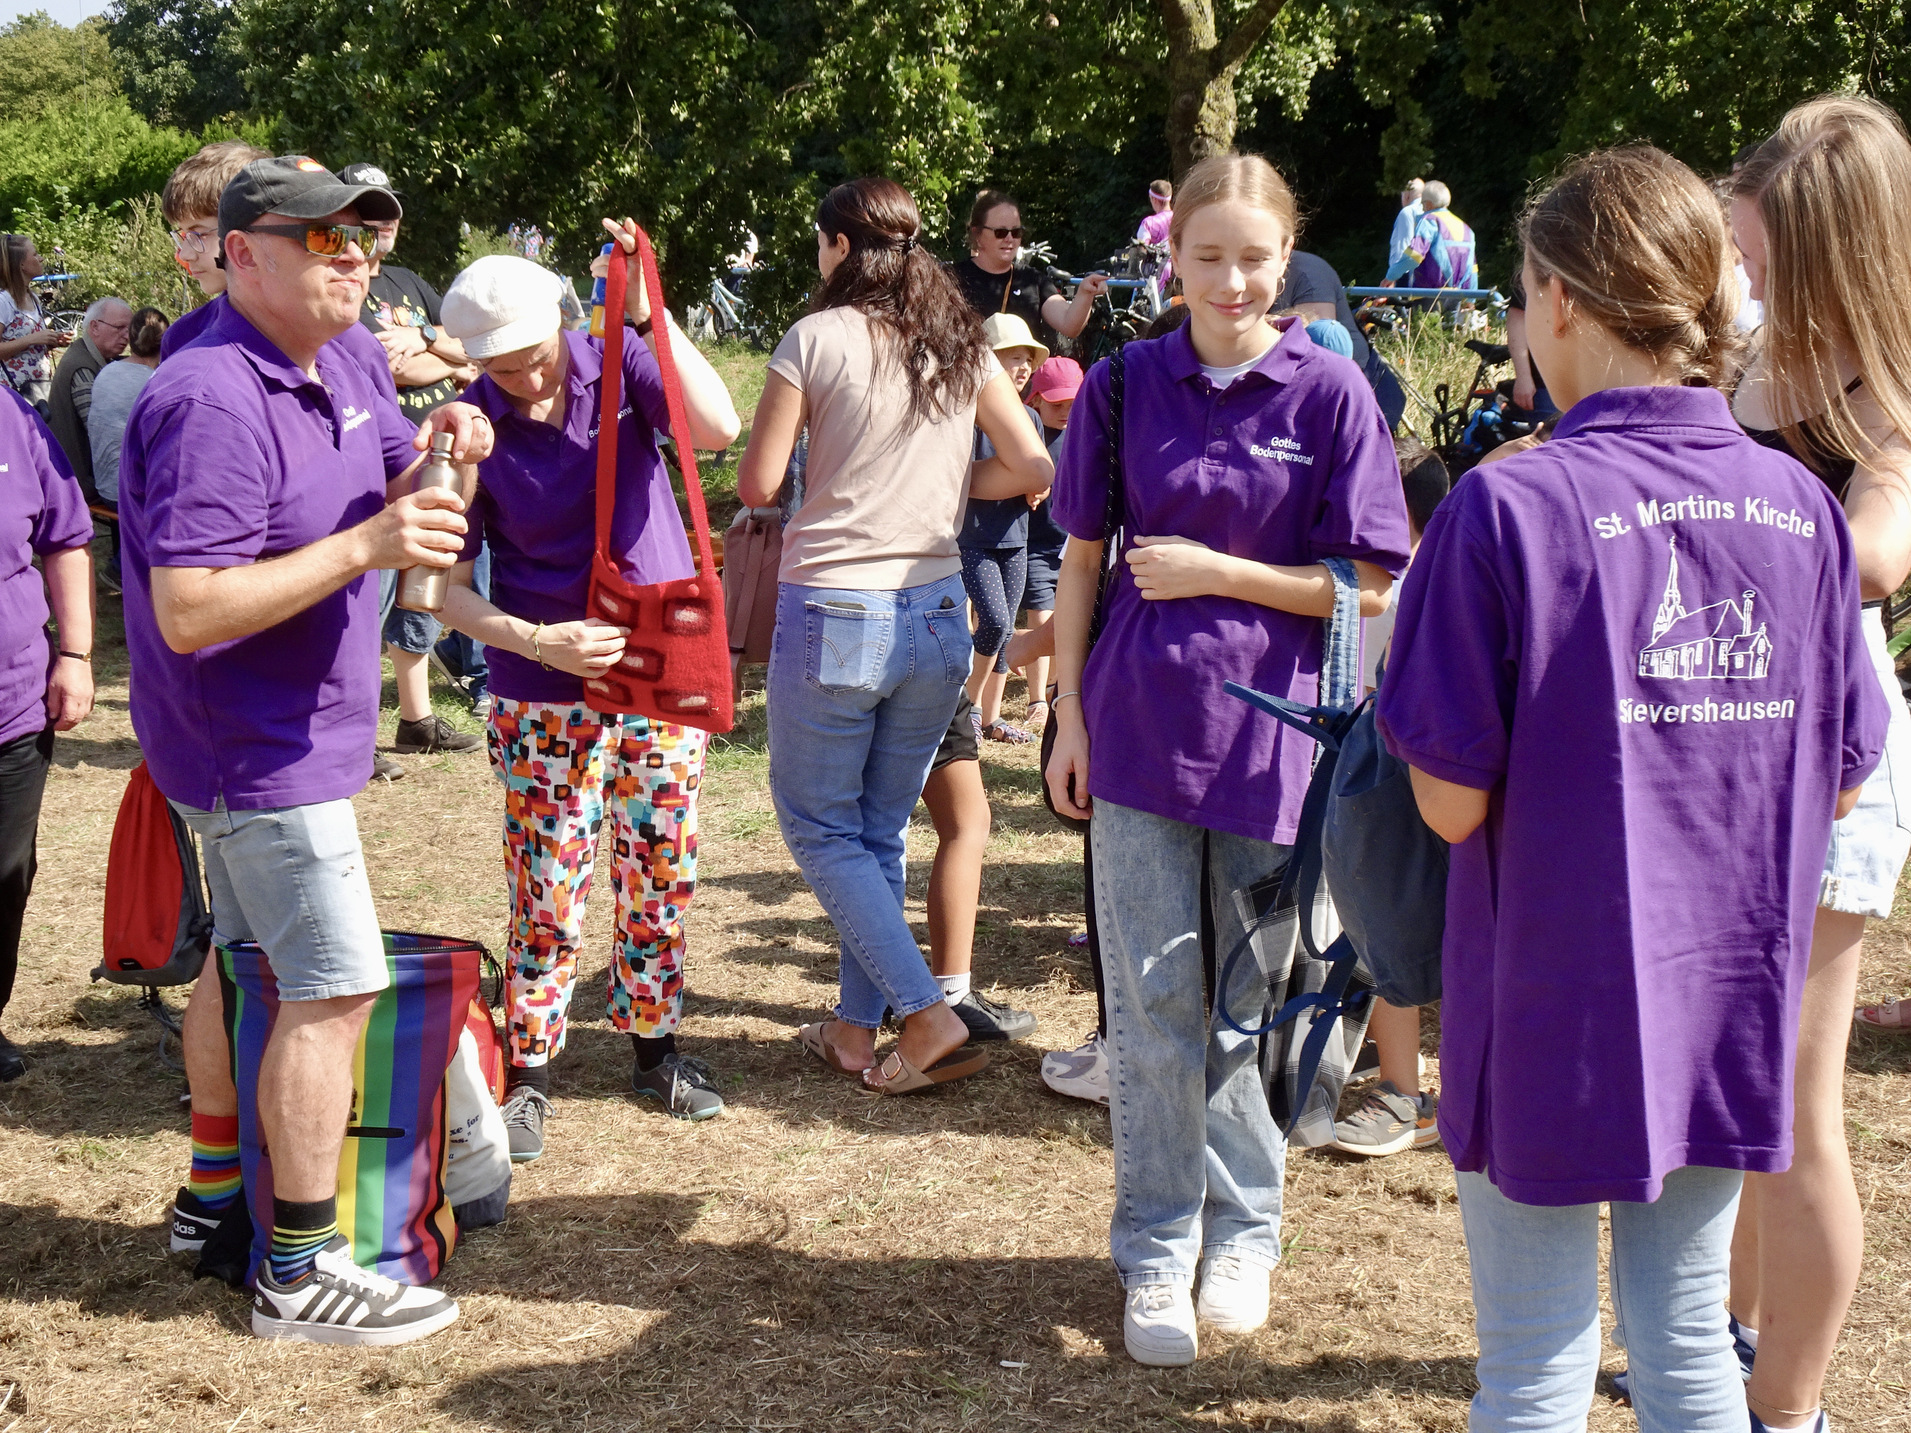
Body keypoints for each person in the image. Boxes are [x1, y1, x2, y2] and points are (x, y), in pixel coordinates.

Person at [1379, 143, 1885, 1433]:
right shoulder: (1801, 505)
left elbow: (1448, 805)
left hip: (1547, 1005)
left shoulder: (1505, 508)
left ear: (1559, 299)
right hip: (1722, 1002)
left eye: (1519, 294)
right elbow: (1840, 780)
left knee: (1536, 1367)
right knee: (1691, 1344)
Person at [1045, 152, 1410, 1366]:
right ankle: (1156, 1243)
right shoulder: (1121, 385)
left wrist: (1219, 572)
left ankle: (1245, 1232)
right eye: (1208, 256)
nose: (1233, 280)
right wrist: (1069, 719)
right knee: (1151, 1007)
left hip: (1274, 748)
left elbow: (1368, 583)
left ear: (1286, 258)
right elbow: (1081, 564)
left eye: (1255, 258)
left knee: (1249, 1003)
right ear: (1176, 259)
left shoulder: (1332, 393)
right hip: (1136, 736)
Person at [123, 155, 494, 1344]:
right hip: (252, 746)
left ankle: (213, 1201)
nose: (359, 262)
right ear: (241, 254)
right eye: (326, 239)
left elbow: (400, 485)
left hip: (298, 733)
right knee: (334, 986)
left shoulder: (343, 357)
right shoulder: (209, 397)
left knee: (247, 967)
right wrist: (367, 546)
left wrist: (445, 448)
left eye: (367, 240)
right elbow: (189, 609)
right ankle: (298, 1268)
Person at [739, 177, 1052, 1095]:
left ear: (839, 246)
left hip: (838, 607)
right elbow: (1032, 463)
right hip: (937, 610)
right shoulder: (960, 341)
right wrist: (947, 485)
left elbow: (757, 484)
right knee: (875, 830)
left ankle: (923, 1012)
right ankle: (851, 1026)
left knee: (817, 826)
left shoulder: (814, 337)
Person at [435, 230, 742, 1148]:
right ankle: (530, 1068)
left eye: (536, 357)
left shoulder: (619, 361)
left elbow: (717, 429)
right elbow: (440, 589)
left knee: (659, 866)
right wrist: (538, 641)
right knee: (547, 878)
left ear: (563, 323)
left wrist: (650, 313)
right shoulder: (470, 424)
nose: (527, 380)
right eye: (501, 368)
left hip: (655, 671)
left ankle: (655, 1049)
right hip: (540, 685)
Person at [1726, 96, 1911, 1433]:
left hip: (1830, 763)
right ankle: (1718, 1341)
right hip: (1717, 750)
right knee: (1730, 1094)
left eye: (1761, 259)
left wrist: (1698, 519)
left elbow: (1877, 556)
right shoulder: (1749, 358)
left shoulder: (1886, 395)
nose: (1742, 281)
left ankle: (1784, 1411)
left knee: (1794, 1106)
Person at [331, 164, 487, 761]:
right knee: (365, 606)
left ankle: (415, 719)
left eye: (389, 212)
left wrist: (428, 343)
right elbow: (389, 368)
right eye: (366, 219)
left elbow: (467, 349)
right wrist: (441, 356)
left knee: (425, 594)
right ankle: (353, 734)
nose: (382, 227)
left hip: (435, 459)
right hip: (376, 467)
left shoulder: (407, 282)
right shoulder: (342, 291)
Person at [1332, 435, 1448, 1158]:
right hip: (1372, 768)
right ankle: (1403, 1086)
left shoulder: (1418, 586)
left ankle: (1416, 1093)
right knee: (1380, 925)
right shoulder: (1365, 577)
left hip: (1410, 778)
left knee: (1397, 922)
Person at [0, 386, 94, 1082]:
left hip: (13, 701)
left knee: (7, 873)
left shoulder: (11, 414)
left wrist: (77, 654)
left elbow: (65, 539)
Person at [920, 695, 1039, 1042]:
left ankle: (871, 995)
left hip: (845, 677)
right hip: (929, 673)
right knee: (965, 825)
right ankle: (951, 994)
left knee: (877, 831)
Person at [960, 312, 1047, 743]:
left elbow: (1038, 473)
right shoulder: (966, 414)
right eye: (1014, 357)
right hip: (973, 538)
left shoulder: (1031, 418)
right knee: (993, 622)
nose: (1024, 366)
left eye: (1028, 358)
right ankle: (967, 710)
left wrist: (1039, 489)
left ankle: (991, 719)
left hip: (1016, 538)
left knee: (1006, 630)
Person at [949, 190, 1110, 354]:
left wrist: (1085, 294)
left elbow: (1069, 324)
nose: (1009, 239)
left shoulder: (1032, 280)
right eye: (1000, 232)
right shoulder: (950, 279)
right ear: (977, 234)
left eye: (1016, 232)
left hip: (1021, 371)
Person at [1019, 356, 1082, 731]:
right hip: (1036, 545)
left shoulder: (1084, 433)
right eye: (1057, 403)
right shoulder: (1028, 433)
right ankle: (1036, 699)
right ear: (1036, 400)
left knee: (1067, 618)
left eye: (1073, 404)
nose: (1065, 412)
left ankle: (1056, 687)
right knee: (1041, 618)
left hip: (1074, 546)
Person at [85, 306, 167, 587]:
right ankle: (121, 568)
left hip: (103, 485)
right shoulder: (157, 382)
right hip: (126, 493)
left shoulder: (107, 372)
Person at [45, 297, 131, 496]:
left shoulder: (86, 354)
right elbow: (101, 432)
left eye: (130, 329)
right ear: (94, 327)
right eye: (119, 328)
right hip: (81, 482)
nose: (127, 336)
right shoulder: (82, 367)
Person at [0, 234, 73, 409]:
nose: (41, 258)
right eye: (35, 254)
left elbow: (26, 347)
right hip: (13, 397)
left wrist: (51, 341)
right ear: (21, 264)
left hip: (38, 391)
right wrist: (33, 339)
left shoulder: (32, 298)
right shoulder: (4, 302)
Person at [1383, 180, 1478, 291]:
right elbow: (1472, 269)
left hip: (1429, 293)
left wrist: (1391, 276)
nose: (1422, 208)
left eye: (1422, 203)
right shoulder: (1466, 228)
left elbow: (1414, 256)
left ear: (1428, 204)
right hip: (1459, 295)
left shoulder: (1430, 221)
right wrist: (1471, 297)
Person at [1387, 178, 1426, 273]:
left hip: (1408, 275)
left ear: (1407, 195)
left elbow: (1403, 249)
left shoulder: (1407, 212)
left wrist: (1394, 276)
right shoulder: (1430, 212)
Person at [1136, 180, 1173, 245]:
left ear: (1155, 200)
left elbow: (1142, 249)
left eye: (1150, 198)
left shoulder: (1148, 223)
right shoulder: (1180, 219)